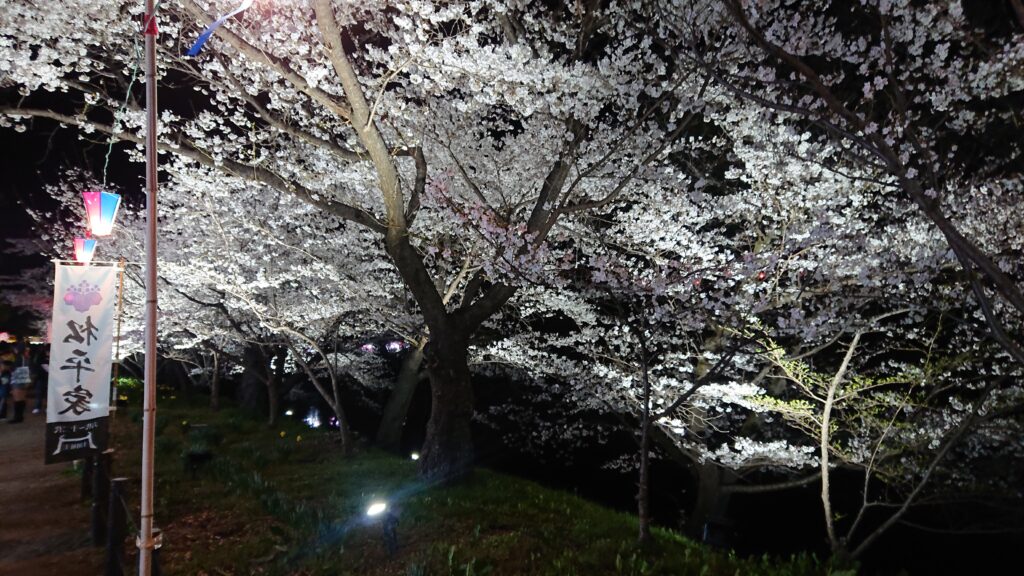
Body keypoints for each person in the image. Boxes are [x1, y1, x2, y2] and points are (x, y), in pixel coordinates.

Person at [7, 344, 34, 424]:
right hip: (25, 379)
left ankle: (17, 417)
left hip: (17, 379)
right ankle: (20, 416)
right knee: (22, 398)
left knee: (17, 399)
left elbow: (13, 368)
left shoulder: (18, 357)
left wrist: (9, 368)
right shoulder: (27, 357)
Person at [33, 346, 49, 414]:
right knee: (39, 394)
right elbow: (38, 365)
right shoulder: (41, 357)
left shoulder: (54, 357)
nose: (48, 353)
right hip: (41, 378)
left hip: (49, 379)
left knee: (47, 395)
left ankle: (47, 408)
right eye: (48, 351)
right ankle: (37, 407)